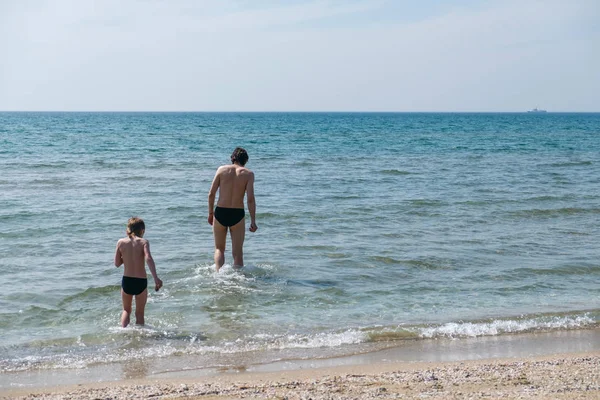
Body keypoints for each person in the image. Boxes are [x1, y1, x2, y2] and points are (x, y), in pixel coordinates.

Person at [208, 147, 257, 271]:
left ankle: (218, 275)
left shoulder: (221, 170)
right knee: (238, 252)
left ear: (232, 158)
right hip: (237, 213)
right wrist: (253, 221)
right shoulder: (248, 174)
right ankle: (238, 279)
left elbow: (211, 194)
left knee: (219, 248)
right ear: (245, 161)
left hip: (221, 211)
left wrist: (210, 213)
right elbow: (250, 199)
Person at [114, 217, 163, 327]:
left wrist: (126, 258)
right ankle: (141, 338)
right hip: (141, 281)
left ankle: (123, 331)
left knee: (126, 310)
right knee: (140, 313)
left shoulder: (121, 242)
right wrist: (156, 278)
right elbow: (148, 258)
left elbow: (117, 263)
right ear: (142, 230)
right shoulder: (144, 242)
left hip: (127, 280)